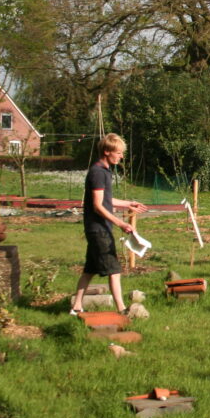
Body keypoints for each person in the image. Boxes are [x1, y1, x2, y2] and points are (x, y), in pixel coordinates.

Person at [69, 133, 147, 316]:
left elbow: (106, 200)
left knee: (89, 270)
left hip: (98, 228)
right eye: (118, 153)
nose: (121, 156)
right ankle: (122, 310)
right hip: (98, 229)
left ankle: (76, 307)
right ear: (106, 152)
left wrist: (128, 203)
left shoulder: (104, 171)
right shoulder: (97, 172)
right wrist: (121, 223)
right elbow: (97, 206)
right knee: (114, 269)